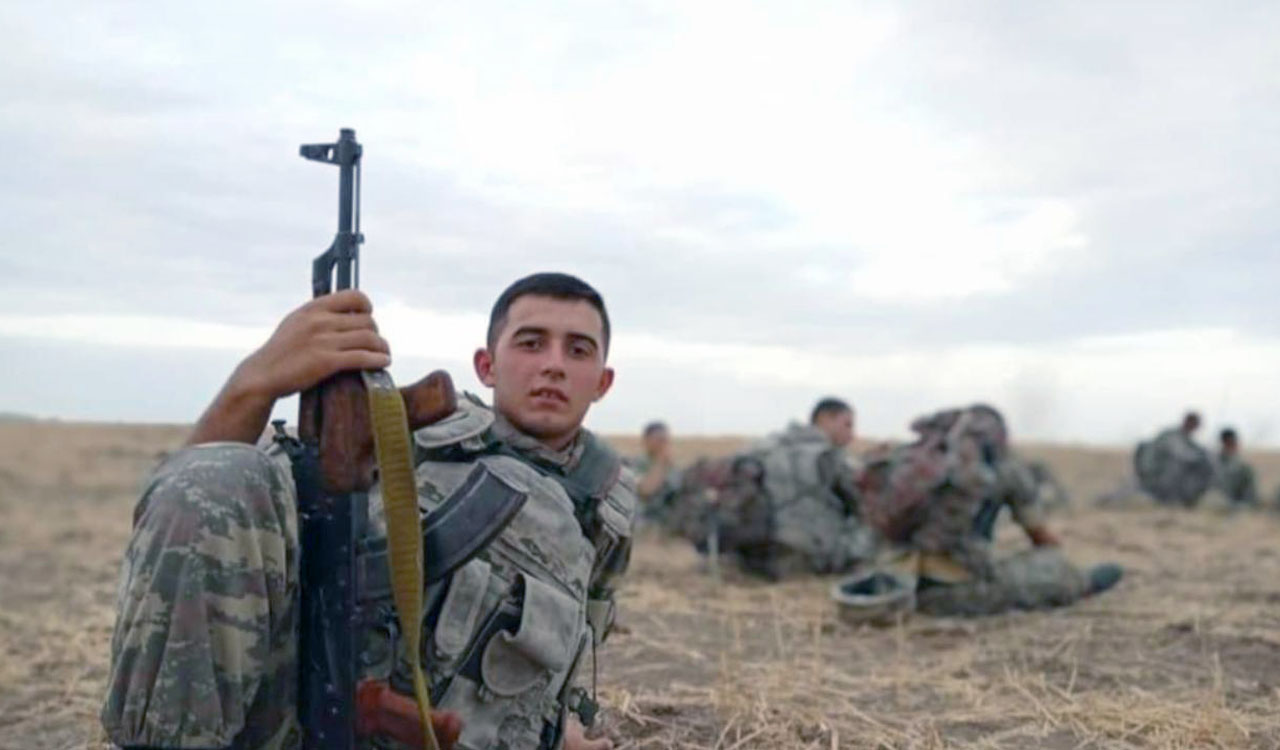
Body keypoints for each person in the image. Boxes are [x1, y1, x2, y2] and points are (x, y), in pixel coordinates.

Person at [100, 272, 634, 750]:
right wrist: (253, 385)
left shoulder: (606, 507)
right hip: (304, 710)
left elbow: (572, 654)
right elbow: (201, 507)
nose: (553, 365)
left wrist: (556, 730)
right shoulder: (403, 434)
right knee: (220, 474)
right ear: (486, 366)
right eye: (531, 343)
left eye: (578, 350)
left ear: (603, 381)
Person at [840, 404, 1122, 620]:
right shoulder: (1005, 468)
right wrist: (1056, 557)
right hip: (952, 594)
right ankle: (1080, 582)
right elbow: (1040, 536)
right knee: (1051, 574)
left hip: (892, 584)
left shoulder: (914, 456)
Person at [679, 397, 871, 580]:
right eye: (847, 425)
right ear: (825, 419)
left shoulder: (762, 447)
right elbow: (858, 503)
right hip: (805, 552)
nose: (852, 434)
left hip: (753, 552)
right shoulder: (828, 455)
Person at [1133, 411, 1214, 507]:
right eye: (1194, 425)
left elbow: (1198, 451)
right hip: (1157, 478)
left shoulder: (1185, 439)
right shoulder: (1171, 436)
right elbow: (1182, 455)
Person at [626, 421, 680, 525]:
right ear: (646, 440)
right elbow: (645, 490)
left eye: (665, 440)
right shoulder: (635, 464)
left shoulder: (672, 468)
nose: (663, 444)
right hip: (644, 516)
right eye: (659, 439)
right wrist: (660, 462)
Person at [1214, 427, 1259, 508]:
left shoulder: (1244, 468)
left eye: (1232, 443)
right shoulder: (1211, 463)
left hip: (1236, 505)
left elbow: (1251, 494)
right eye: (1228, 443)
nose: (1230, 447)